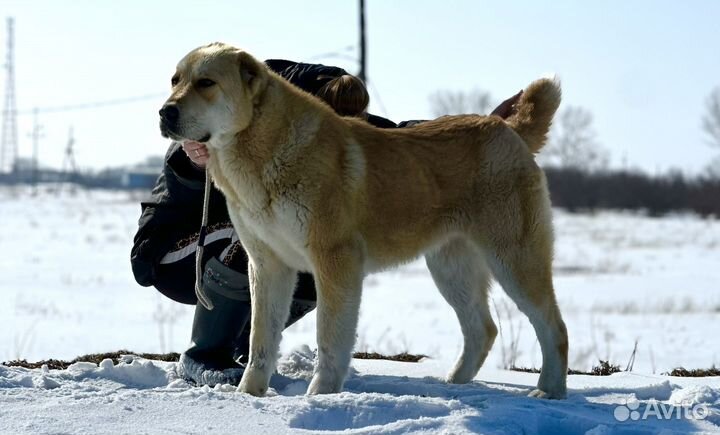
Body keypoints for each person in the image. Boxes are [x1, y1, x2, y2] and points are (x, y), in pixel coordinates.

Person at [131, 59, 523, 386]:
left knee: (330, 252)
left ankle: (243, 348)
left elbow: (400, 138)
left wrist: (480, 133)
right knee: (262, 230)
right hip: (172, 250)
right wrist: (194, 160)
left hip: (238, 248)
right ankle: (205, 355)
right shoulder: (244, 98)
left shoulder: (334, 120)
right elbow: (176, 173)